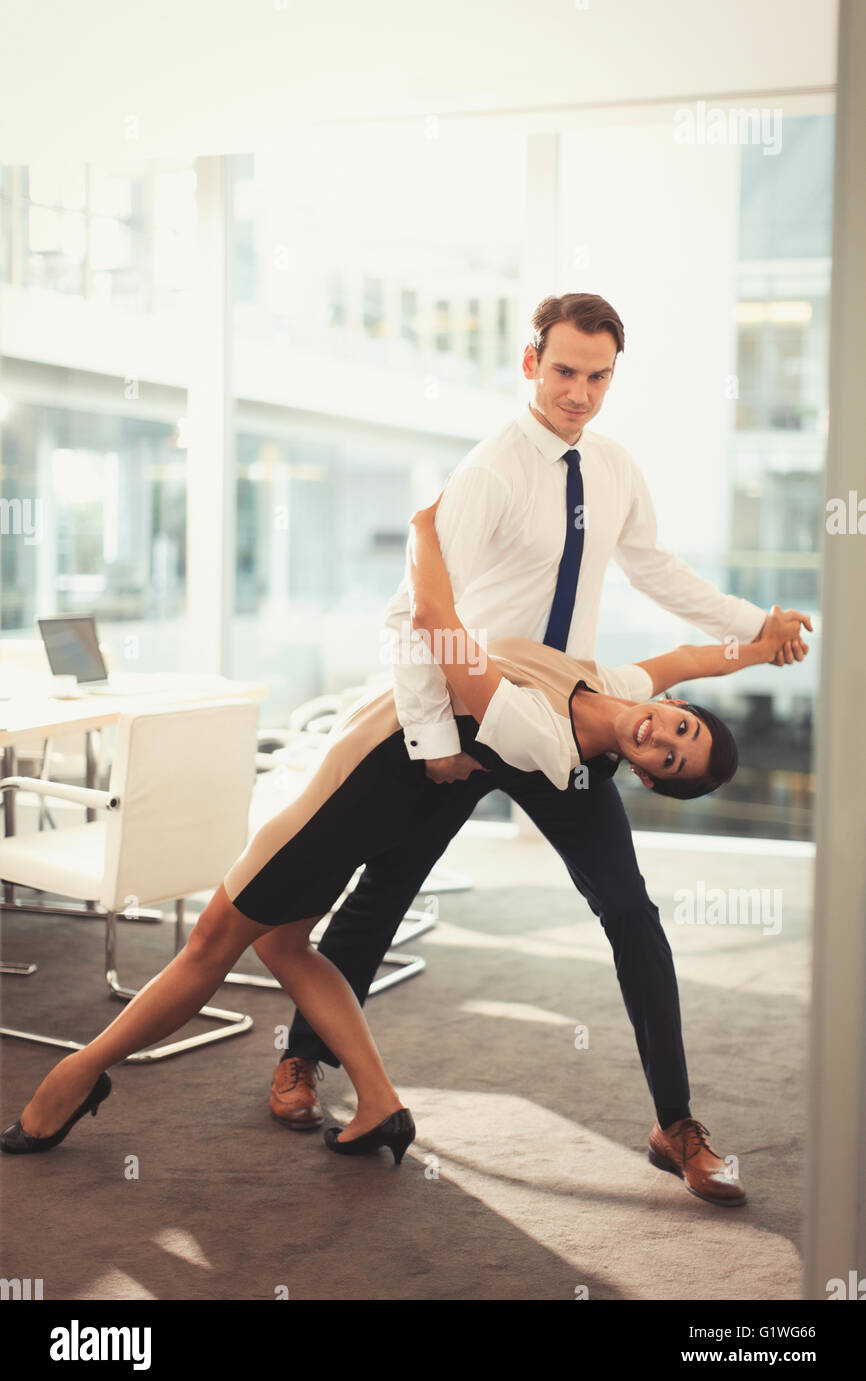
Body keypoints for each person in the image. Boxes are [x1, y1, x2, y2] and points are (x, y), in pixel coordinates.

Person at [0, 504, 808, 1201]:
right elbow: (694, 658)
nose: (664, 738)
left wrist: (427, 533)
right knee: (284, 945)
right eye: (682, 727)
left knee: (214, 942)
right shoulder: (605, 679)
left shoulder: (538, 737)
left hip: (355, 784)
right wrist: (762, 638)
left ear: (651, 782)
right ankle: (379, 1101)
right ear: (671, 710)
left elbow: (440, 630)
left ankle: (75, 1076)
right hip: (374, 778)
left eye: (672, 759)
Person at [268, 290, 812, 1207]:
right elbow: (412, 611)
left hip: (565, 723)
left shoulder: (614, 468)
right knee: (388, 887)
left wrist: (753, 623)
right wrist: (437, 737)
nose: (580, 393)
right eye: (564, 371)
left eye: (598, 376)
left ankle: (674, 1124)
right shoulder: (490, 470)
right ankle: (301, 1060)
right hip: (474, 721)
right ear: (531, 363)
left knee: (631, 915)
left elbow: (658, 573)